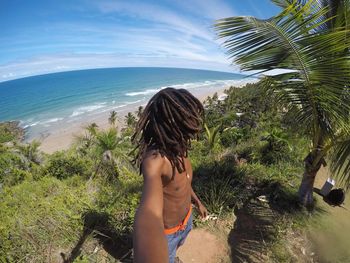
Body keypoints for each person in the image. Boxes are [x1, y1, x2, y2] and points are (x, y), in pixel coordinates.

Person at [132, 88, 208, 263]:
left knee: (178, 247)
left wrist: (197, 201)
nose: (194, 123)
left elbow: (184, 184)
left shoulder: (180, 148)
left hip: (186, 220)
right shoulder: (155, 160)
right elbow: (149, 216)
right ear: (172, 123)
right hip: (168, 233)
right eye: (188, 118)